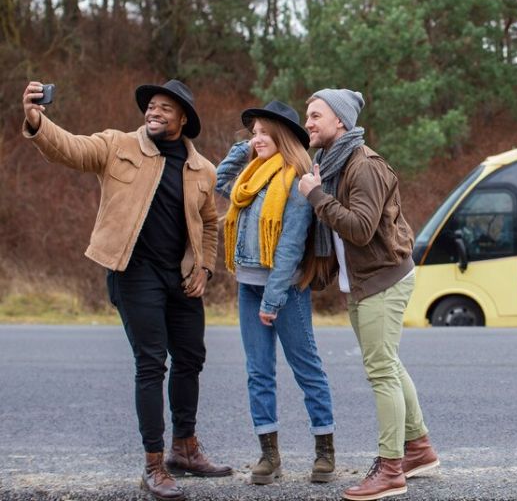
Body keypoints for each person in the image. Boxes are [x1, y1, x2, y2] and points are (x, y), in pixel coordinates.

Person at [21, 80, 230, 501]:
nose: (153, 112)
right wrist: (37, 121)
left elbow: (210, 223)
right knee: (152, 362)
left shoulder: (202, 170)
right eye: (150, 106)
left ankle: (184, 449)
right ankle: (154, 464)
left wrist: (205, 267)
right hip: (133, 273)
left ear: (183, 118)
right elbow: (71, 148)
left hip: (181, 277)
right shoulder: (117, 145)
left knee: (191, 356)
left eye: (164, 108)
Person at [297, 89, 439, 501]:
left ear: (339, 121)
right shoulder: (331, 163)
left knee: (380, 370)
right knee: (388, 364)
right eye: (308, 115)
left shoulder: (363, 167)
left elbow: (359, 228)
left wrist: (316, 196)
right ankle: (419, 449)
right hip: (363, 280)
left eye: (316, 115)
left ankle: (392, 468)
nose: (309, 122)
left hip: (384, 278)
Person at [214, 100, 336, 485]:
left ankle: (325, 451)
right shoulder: (250, 176)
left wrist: (272, 299)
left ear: (282, 136)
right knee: (258, 372)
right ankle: (269, 455)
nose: (257, 139)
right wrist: (245, 148)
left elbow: (289, 246)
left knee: (306, 368)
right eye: (254, 133)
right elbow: (220, 180)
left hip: (285, 290)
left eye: (265, 132)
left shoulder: (297, 180)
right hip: (248, 287)